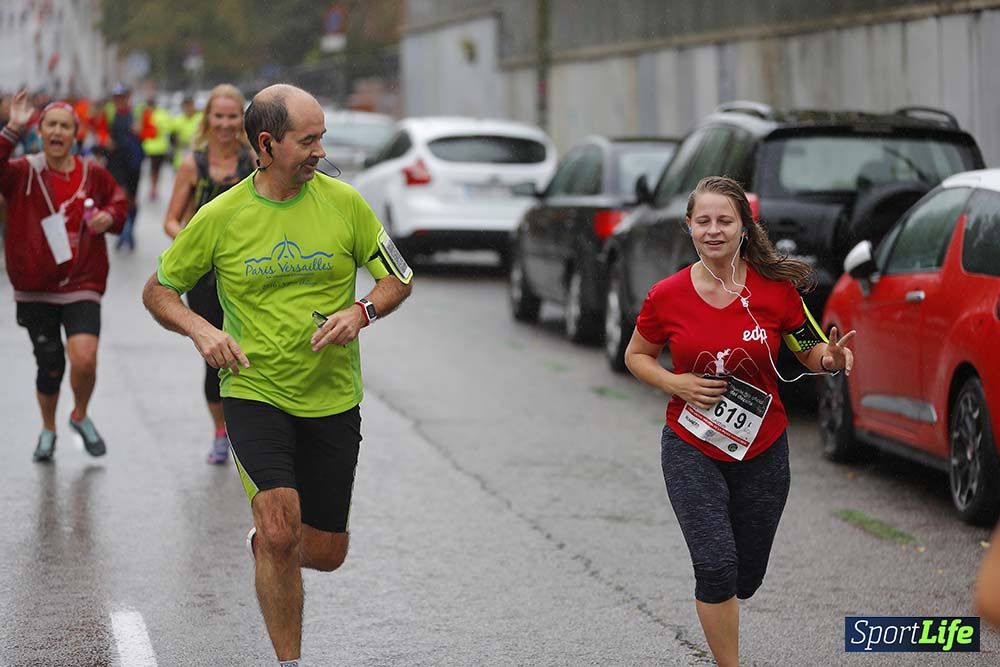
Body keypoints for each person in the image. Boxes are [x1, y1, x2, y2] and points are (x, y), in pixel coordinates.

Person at [142, 83, 413, 666]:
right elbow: (159, 290)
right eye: (308, 140)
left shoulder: (346, 203)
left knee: (326, 550)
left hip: (333, 395)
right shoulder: (221, 216)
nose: (321, 151)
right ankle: (288, 660)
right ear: (266, 144)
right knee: (281, 527)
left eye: (322, 138)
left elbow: (400, 276)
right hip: (254, 389)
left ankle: (270, 543)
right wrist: (202, 330)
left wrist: (361, 311)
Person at [624, 176, 855, 666]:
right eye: (703, 221)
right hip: (692, 443)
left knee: (743, 576)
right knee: (715, 565)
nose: (714, 230)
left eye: (724, 220)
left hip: (763, 448)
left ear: (744, 228)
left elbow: (808, 349)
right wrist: (676, 384)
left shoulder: (776, 291)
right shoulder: (666, 295)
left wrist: (830, 359)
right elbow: (636, 355)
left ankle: (732, 590)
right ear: (689, 226)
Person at [0, 91, 128, 461]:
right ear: (40, 132)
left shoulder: (93, 174)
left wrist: (110, 217)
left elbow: (118, 203)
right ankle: (48, 428)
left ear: (76, 134)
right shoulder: (23, 172)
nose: (57, 132)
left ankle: (80, 414)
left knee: (85, 358)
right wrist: (11, 128)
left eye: (65, 126)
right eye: (50, 125)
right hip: (35, 287)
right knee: (51, 364)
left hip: (82, 281)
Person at [162, 83, 255, 464]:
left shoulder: (254, 163)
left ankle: (252, 432)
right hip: (205, 279)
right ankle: (221, 433)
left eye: (233, 116)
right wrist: (194, 245)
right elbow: (170, 220)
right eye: (219, 116)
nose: (226, 124)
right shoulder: (193, 165)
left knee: (252, 351)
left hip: (251, 273)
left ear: (242, 121)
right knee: (215, 354)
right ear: (208, 119)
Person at [105, 84, 143, 251]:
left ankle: (130, 230)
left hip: (133, 160)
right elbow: (97, 129)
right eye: (117, 97)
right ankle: (123, 232)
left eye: (123, 97)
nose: (119, 100)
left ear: (128, 97)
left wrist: (140, 131)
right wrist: (104, 140)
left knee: (132, 200)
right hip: (116, 161)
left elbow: (152, 131)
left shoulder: (138, 113)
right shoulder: (109, 113)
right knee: (122, 195)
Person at [140, 96, 172, 201]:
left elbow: (166, 127)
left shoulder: (153, 114)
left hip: (157, 147)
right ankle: (153, 188)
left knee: (155, 170)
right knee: (154, 170)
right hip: (152, 147)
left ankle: (154, 188)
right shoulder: (148, 114)